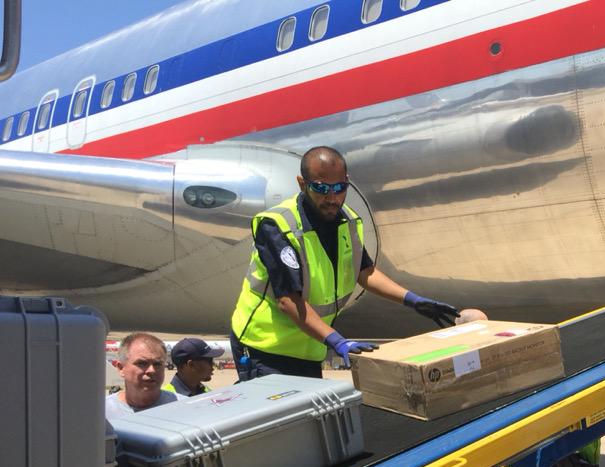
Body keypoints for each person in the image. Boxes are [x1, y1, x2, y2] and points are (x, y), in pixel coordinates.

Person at [230, 145, 459, 379]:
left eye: (339, 188)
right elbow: (288, 301)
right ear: (302, 184)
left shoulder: (346, 221)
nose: (332, 198)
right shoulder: (278, 226)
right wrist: (338, 342)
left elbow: (365, 272)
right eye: (321, 188)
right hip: (264, 347)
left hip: (310, 347)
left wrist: (414, 301)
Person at [106, 333, 182, 419]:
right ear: (121, 368)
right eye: (142, 363)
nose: (151, 370)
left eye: (157, 364)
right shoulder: (102, 412)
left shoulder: (184, 407)